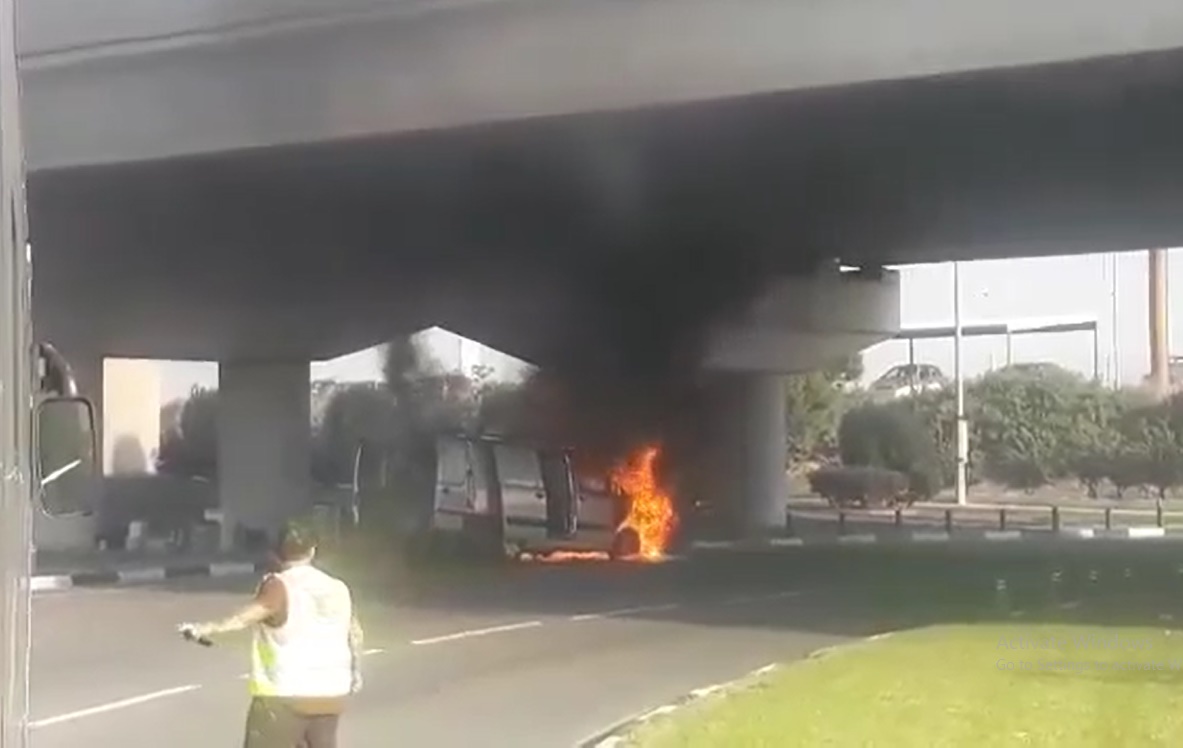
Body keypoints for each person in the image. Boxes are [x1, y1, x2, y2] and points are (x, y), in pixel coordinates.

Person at [179, 522, 363, 748]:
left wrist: (204, 628)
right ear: (313, 550)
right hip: (332, 693)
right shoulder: (338, 587)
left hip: (286, 695)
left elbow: (246, 617)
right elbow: (354, 633)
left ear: (273, 553)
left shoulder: (280, 585)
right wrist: (355, 673)